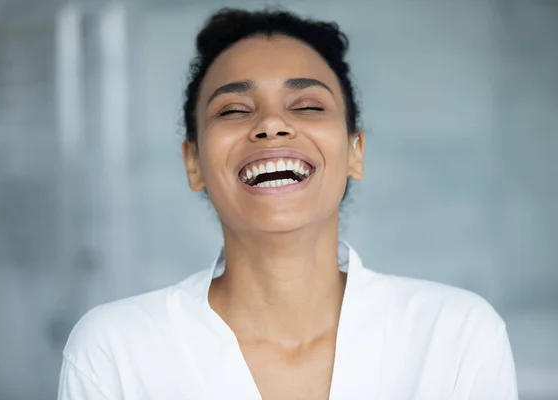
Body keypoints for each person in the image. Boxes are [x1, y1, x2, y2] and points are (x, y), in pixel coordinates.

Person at [57, 8, 518, 400]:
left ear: (354, 151)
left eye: (308, 106)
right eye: (234, 110)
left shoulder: (456, 336)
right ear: (193, 162)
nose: (272, 124)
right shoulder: (115, 349)